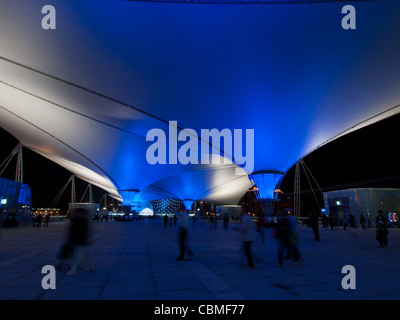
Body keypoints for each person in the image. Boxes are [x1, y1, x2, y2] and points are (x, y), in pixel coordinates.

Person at [66, 208, 93, 275]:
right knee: (81, 254)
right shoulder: (79, 220)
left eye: (77, 213)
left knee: (77, 255)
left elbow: (82, 231)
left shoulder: (81, 221)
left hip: (79, 240)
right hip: (78, 240)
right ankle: (89, 266)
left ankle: (73, 269)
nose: (75, 214)